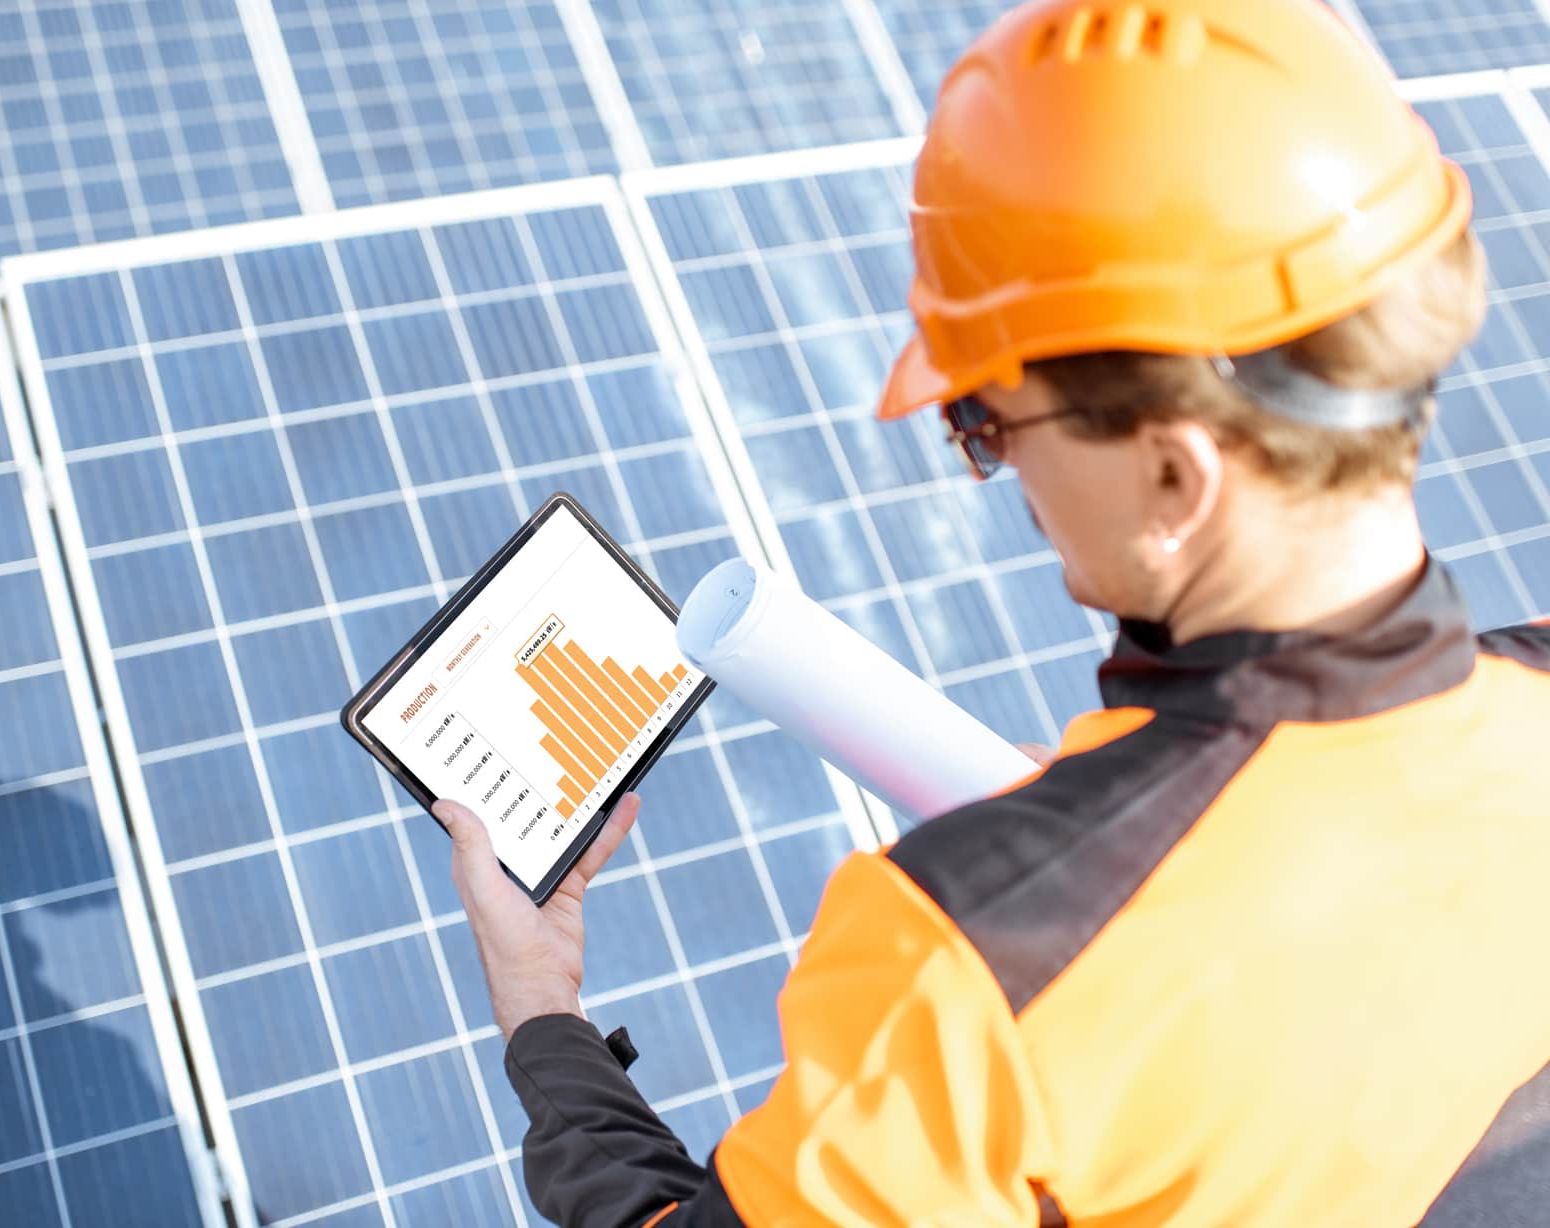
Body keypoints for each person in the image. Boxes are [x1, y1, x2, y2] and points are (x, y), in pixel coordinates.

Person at [433, 0, 1550, 1223]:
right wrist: (1110, 838)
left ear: (1176, 473)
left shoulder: (966, 962)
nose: (999, 474)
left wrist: (542, 1007)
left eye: (988, 424)